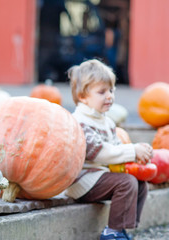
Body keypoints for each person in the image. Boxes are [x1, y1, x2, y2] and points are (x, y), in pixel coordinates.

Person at [65, 59, 153, 240]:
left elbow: (116, 148)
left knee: (139, 182)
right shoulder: (79, 122)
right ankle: (112, 232)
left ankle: (122, 229)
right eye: (102, 92)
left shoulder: (107, 121)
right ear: (83, 96)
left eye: (111, 90)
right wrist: (132, 150)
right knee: (126, 182)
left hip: (101, 176)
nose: (109, 96)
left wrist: (136, 155)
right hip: (82, 181)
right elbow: (99, 152)